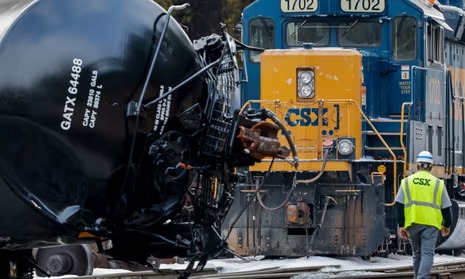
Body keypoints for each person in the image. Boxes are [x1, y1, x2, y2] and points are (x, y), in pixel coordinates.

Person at [395, 150, 452, 279]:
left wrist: (401, 225)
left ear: (417, 165)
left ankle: (418, 277)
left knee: (417, 253)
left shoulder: (407, 182)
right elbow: (446, 207)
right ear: (431, 166)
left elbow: (399, 204)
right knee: (427, 253)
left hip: (413, 222)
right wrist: (447, 225)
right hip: (431, 223)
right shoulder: (438, 183)